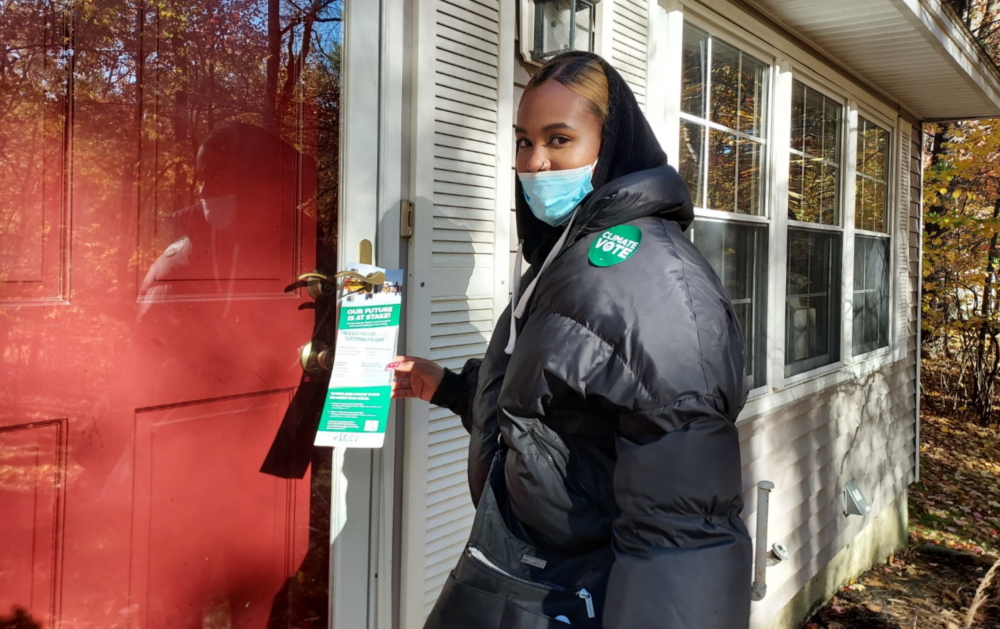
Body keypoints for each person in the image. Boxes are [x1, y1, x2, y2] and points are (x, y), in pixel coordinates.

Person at [391, 51, 751, 628]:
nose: (535, 163)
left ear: (609, 146)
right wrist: (452, 390)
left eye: (560, 140)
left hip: (588, 591)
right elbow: (561, 407)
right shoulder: (569, 255)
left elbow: (684, 533)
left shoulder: (653, 285)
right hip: (534, 571)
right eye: (523, 141)